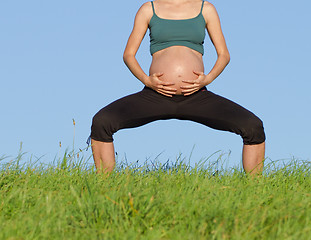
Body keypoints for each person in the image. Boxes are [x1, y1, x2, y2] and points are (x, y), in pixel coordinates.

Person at [90, 0, 266, 175]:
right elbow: (129, 54)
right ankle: (104, 184)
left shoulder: (206, 9)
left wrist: (208, 79)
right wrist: (147, 80)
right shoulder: (148, 9)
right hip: (156, 95)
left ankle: (256, 187)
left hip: (197, 96)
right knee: (102, 122)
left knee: (253, 126)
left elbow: (224, 55)